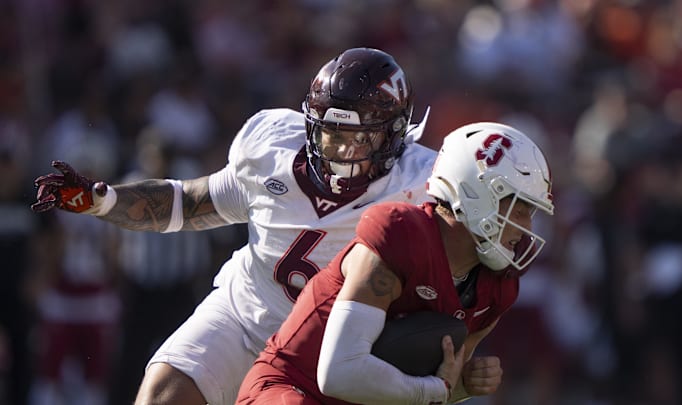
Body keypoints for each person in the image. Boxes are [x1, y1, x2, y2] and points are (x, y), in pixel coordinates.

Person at [31, 47, 438, 405]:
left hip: (335, 348)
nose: (343, 152)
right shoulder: (271, 150)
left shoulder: (422, 185)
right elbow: (188, 203)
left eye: (360, 138)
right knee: (164, 393)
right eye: (333, 134)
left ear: (394, 135)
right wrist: (105, 201)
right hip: (247, 312)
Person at [237, 121, 555, 404]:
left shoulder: (498, 285)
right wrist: (437, 391)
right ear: (477, 195)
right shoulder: (401, 235)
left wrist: (465, 385)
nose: (527, 226)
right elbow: (339, 373)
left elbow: (440, 384)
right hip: (294, 388)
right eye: (519, 207)